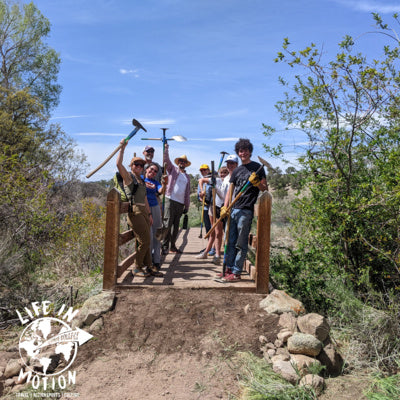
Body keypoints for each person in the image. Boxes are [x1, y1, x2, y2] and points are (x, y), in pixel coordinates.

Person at [221, 139, 268, 282]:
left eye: (246, 150)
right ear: (238, 153)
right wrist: (225, 207)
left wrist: (257, 183)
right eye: (241, 151)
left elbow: (265, 189)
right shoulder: (237, 170)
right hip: (234, 209)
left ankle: (236, 273)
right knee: (230, 241)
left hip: (246, 210)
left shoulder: (258, 167)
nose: (243, 153)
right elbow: (231, 190)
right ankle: (228, 269)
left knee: (241, 244)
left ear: (250, 151)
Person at [116, 140, 160, 277]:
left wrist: (149, 214)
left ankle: (148, 267)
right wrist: (122, 149)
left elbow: (145, 198)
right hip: (135, 212)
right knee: (145, 241)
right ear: (132, 165)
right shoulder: (129, 178)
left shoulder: (141, 180)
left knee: (148, 240)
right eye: (136, 164)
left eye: (141, 165)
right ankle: (137, 267)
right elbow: (118, 164)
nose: (139, 166)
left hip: (144, 212)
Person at [196, 165, 230, 264]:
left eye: (225, 172)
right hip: (214, 207)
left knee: (219, 232)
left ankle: (216, 255)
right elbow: (201, 180)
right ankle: (210, 253)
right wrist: (201, 191)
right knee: (213, 231)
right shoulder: (217, 180)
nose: (223, 175)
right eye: (221, 173)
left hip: (225, 208)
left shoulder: (230, 181)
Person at [161, 143, 191, 254]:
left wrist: (186, 206)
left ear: (186, 164)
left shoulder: (187, 176)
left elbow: (187, 193)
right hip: (170, 200)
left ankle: (172, 247)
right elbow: (166, 161)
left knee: (175, 226)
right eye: (180, 161)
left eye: (184, 162)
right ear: (178, 162)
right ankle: (164, 246)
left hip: (180, 203)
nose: (182, 163)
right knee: (167, 224)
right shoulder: (172, 170)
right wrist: (166, 149)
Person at [144, 162, 167, 276]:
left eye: (155, 171)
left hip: (155, 207)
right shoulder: (141, 179)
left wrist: (164, 183)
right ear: (147, 169)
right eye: (151, 169)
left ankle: (156, 261)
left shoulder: (155, 182)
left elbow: (160, 191)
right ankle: (148, 262)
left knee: (158, 233)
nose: (152, 172)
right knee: (149, 235)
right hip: (145, 209)